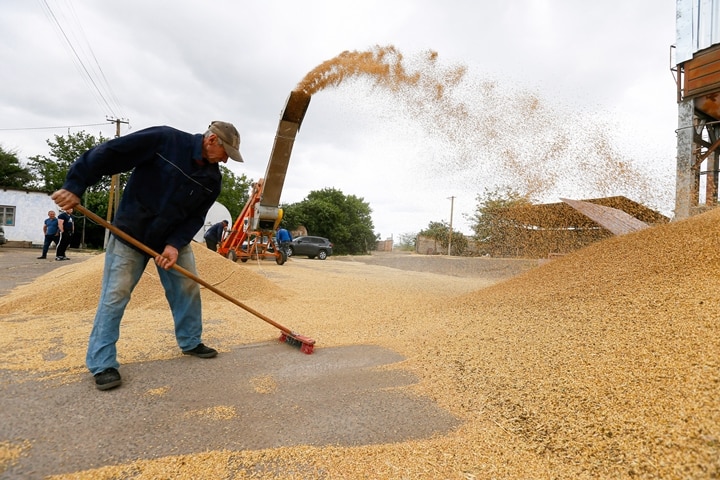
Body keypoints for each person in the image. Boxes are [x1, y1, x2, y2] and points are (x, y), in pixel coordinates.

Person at [51, 121, 244, 391]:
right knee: (115, 295)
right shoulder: (165, 140)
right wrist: (75, 185)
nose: (225, 161)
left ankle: (190, 341)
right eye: (225, 153)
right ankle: (102, 363)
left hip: (170, 241)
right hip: (132, 232)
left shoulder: (212, 179)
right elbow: (110, 153)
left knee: (188, 286)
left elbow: (195, 218)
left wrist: (175, 244)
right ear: (211, 140)